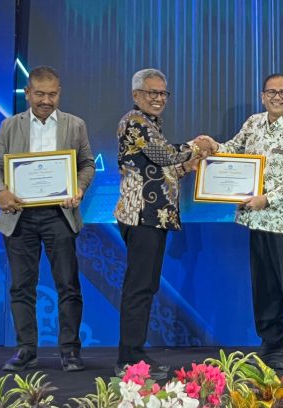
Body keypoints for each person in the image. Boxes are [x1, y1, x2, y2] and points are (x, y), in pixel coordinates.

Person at [0, 65, 95, 372]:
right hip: (19, 215)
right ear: (28, 93)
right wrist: (0, 194)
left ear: (59, 92)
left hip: (59, 215)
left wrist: (79, 186)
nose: (46, 100)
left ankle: (70, 351)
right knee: (21, 287)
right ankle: (26, 350)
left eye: (52, 94)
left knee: (68, 285)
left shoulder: (75, 125)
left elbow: (87, 164)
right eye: (40, 94)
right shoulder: (10, 126)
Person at [201, 73, 283, 370]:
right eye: (272, 92)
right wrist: (212, 145)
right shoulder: (252, 123)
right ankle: (271, 341)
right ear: (262, 96)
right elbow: (232, 150)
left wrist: (267, 198)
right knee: (263, 286)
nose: (277, 97)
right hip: (256, 219)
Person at [113, 68, 207, 379]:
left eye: (162, 93)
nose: (158, 98)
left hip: (154, 217)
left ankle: (135, 356)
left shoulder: (152, 124)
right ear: (136, 95)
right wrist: (198, 144)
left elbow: (157, 172)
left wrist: (186, 169)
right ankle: (128, 360)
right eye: (151, 92)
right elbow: (163, 155)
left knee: (147, 285)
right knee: (139, 287)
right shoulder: (134, 121)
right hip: (140, 216)